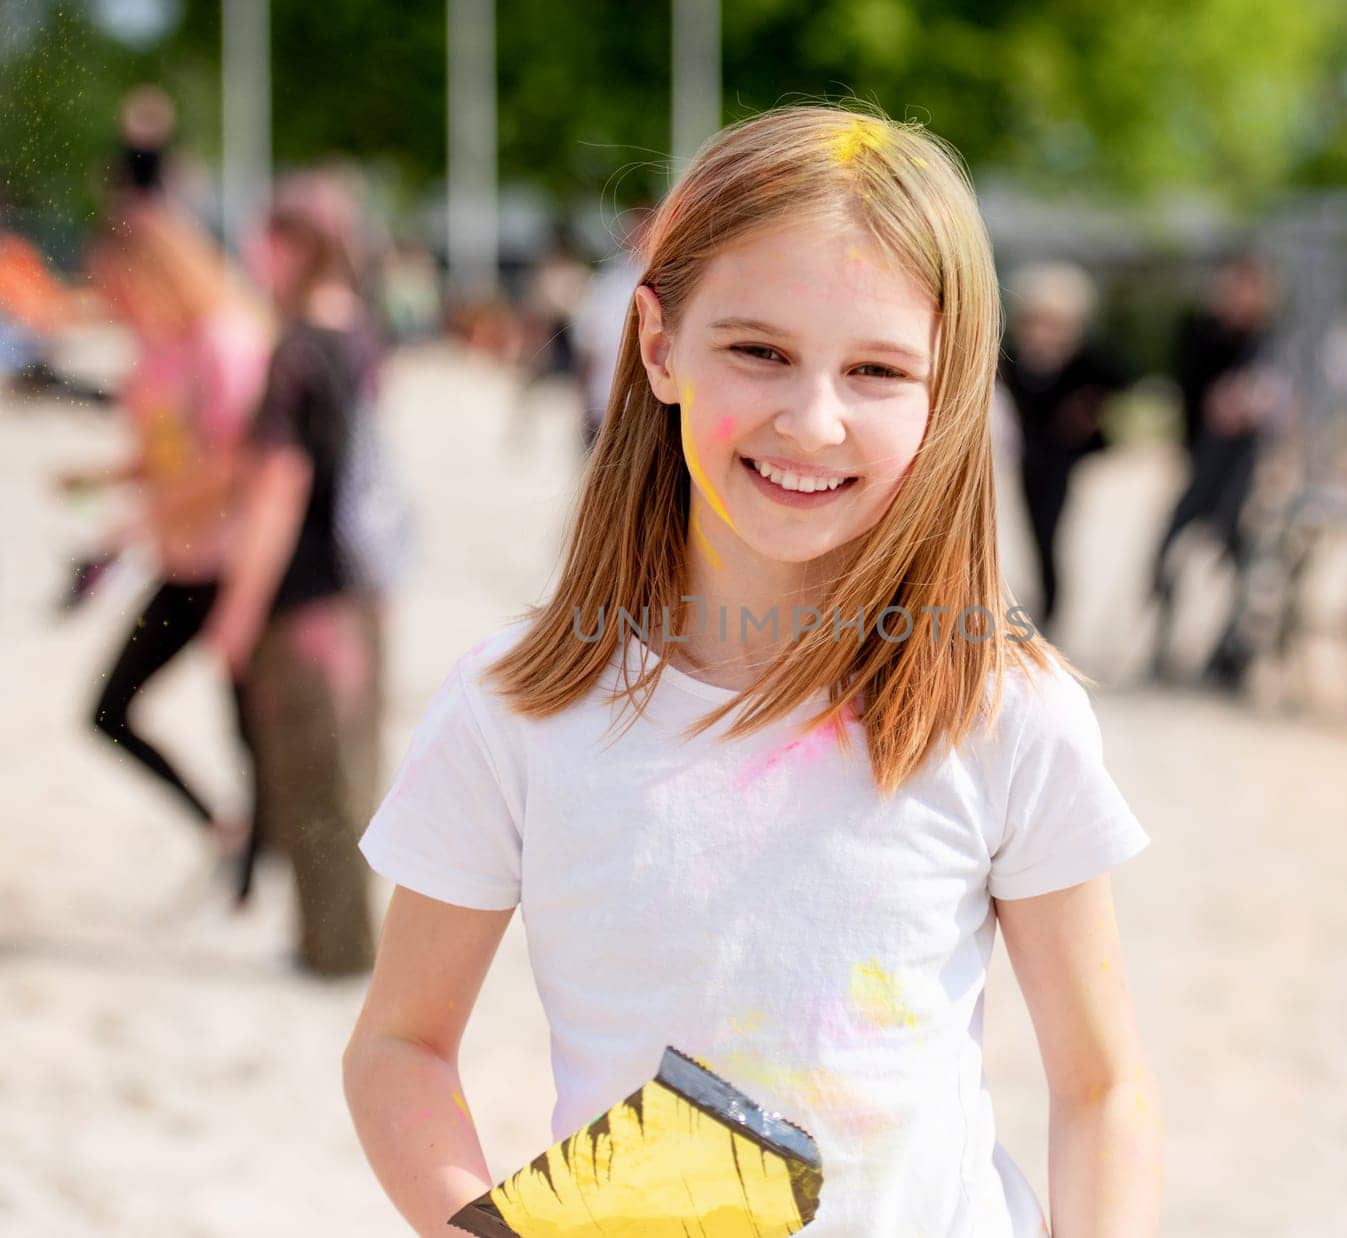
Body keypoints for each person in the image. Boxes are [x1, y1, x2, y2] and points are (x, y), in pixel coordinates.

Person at [343, 105, 1162, 1237]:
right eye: (759, 350)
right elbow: (400, 1041)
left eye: (876, 369)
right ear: (657, 345)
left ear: (948, 389)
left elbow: (1101, 1086)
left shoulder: (1003, 712)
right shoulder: (516, 709)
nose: (811, 419)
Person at [204, 188, 389, 974]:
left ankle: (334, 950)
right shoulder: (360, 331)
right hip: (362, 584)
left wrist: (238, 611)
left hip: (306, 590)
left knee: (313, 777)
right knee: (350, 771)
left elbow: (280, 487)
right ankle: (341, 943)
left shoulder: (297, 348)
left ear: (294, 245)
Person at [62, 204, 271, 859]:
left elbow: (237, 461)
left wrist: (146, 515)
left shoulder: (226, 339)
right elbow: (166, 458)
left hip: (234, 562)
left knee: (251, 731)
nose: (113, 302)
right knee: (110, 712)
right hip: (178, 561)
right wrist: (99, 480)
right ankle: (221, 829)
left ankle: (257, 861)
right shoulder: (154, 350)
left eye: (118, 285)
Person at [1148, 252, 1277, 689]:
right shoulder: (1201, 336)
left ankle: (1229, 655)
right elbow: (1198, 400)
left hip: (1243, 474)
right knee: (1169, 553)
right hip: (1202, 464)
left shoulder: (1268, 342)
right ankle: (1162, 643)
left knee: (1245, 565)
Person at [998, 261, 1134, 635]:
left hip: (1061, 462)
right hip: (1029, 460)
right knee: (1029, 536)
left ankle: (1051, 610)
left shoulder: (1083, 361)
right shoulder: (1013, 358)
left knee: (1050, 534)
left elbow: (1120, 379)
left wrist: (1090, 407)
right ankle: (1041, 602)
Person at [569, 202, 651, 452]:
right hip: (606, 400)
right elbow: (589, 344)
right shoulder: (609, 281)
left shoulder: (668, 278)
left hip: (649, 407)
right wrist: (583, 399)